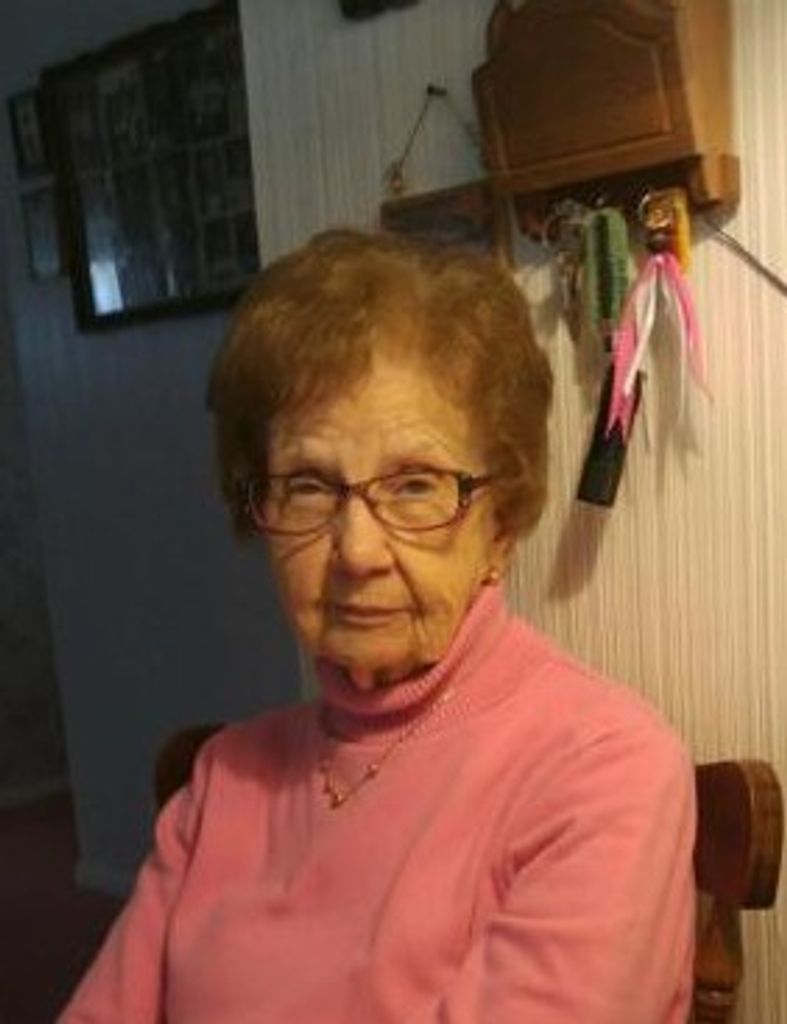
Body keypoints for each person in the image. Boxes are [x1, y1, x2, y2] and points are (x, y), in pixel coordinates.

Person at [59, 229, 695, 1023]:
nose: (356, 551)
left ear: (500, 522)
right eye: (308, 485)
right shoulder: (225, 776)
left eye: (415, 484)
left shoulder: (604, 771)